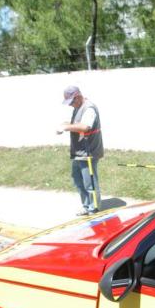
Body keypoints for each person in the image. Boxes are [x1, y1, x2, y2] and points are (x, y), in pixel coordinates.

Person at [57, 86, 104, 216]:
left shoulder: (89, 108)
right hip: (79, 152)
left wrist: (66, 127)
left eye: (71, 101)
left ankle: (94, 208)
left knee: (90, 181)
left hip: (88, 151)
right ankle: (86, 205)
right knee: (78, 179)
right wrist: (65, 124)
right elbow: (76, 123)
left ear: (77, 97)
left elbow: (85, 126)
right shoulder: (78, 107)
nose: (71, 105)